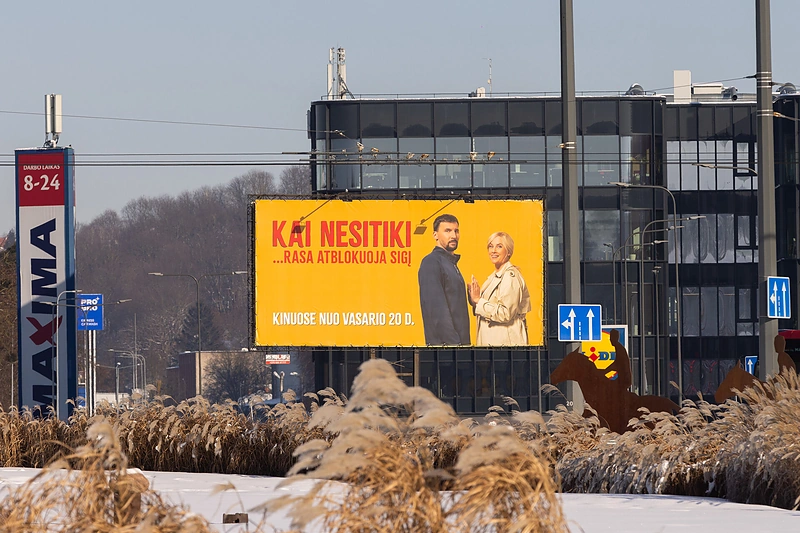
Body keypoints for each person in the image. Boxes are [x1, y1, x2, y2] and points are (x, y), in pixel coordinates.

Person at [468, 232, 531, 346]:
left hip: (504, 348)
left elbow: (505, 313)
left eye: (499, 246)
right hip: (493, 346)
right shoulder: (494, 276)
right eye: (491, 246)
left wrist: (479, 301)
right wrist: (474, 299)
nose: (493, 251)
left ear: (509, 252)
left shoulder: (510, 276)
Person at [418, 214, 470, 345]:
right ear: (435, 235)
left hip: (458, 349)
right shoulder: (431, 262)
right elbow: (436, 312)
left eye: (456, 231)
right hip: (445, 350)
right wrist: (455, 346)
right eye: (447, 231)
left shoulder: (450, 264)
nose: (453, 235)